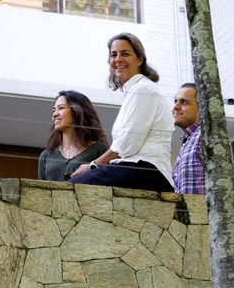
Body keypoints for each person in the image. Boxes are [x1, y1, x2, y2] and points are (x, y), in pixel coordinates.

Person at [68, 32, 174, 192]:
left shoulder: (143, 90)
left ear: (140, 59)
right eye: (113, 55)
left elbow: (126, 145)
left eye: (125, 54)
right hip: (136, 170)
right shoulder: (135, 91)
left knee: (70, 190)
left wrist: (92, 166)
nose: (118, 59)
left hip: (146, 170)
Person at [38, 90, 109, 181]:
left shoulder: (99, 149)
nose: (55, 114)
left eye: (61, 108)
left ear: (77, 111)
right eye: (54, 110)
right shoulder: (46, 155)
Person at [171, 83, 205, 195]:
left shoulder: (205, 137)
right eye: (175, 101)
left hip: (202, 212)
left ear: (201, 107)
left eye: (184, 102)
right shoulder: (187, 143)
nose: (175, 106)